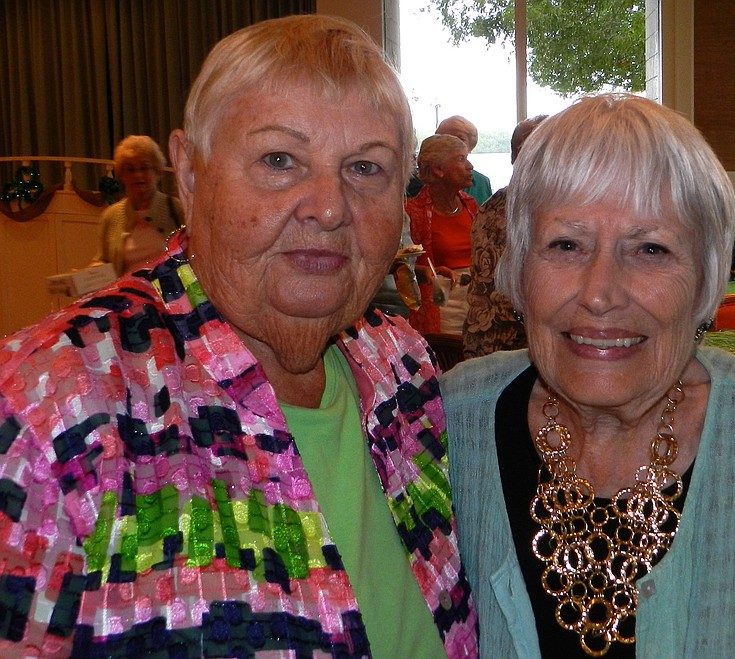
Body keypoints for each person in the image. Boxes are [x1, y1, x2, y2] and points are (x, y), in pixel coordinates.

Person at [0, 16, 477, 658]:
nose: (329, 206)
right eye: (280, 160)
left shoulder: (403, 368)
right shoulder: (54, 406)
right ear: (190, 175)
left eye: (365, 168)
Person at [442, 94, 735, 657]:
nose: (600, 294)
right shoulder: (441, 430)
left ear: (707, 279)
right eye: (566, 244)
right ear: (516, 269)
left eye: (651, 249)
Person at [462, 115, 547, 359]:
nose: (539, 157)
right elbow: (503, 297)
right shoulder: (500, 208)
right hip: (504, 345)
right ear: (514, 157)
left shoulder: (562, 203)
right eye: (529, 148)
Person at [406, 134, 478, 335]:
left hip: (478, 304)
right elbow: (399, 268)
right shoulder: (413, 213)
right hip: (441, 307)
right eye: (461, 159)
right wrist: (424, 272)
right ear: (438, 170)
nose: (470, 166)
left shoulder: (471, 206)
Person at [89, 134, 184, 274]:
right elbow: (103, 261)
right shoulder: (111, 216)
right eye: (131, 169)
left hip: (170, 294)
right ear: (122, 175)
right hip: (128, 294)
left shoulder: (176, 209)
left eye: (144, 168)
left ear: (157, 172)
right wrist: (83, 278)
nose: (138, 175)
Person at [436, 115, 493, 205]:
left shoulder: (482, 182)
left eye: (460, 139)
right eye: (447, 138)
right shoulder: (425, 181)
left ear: (470, 146)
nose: (454, 144)